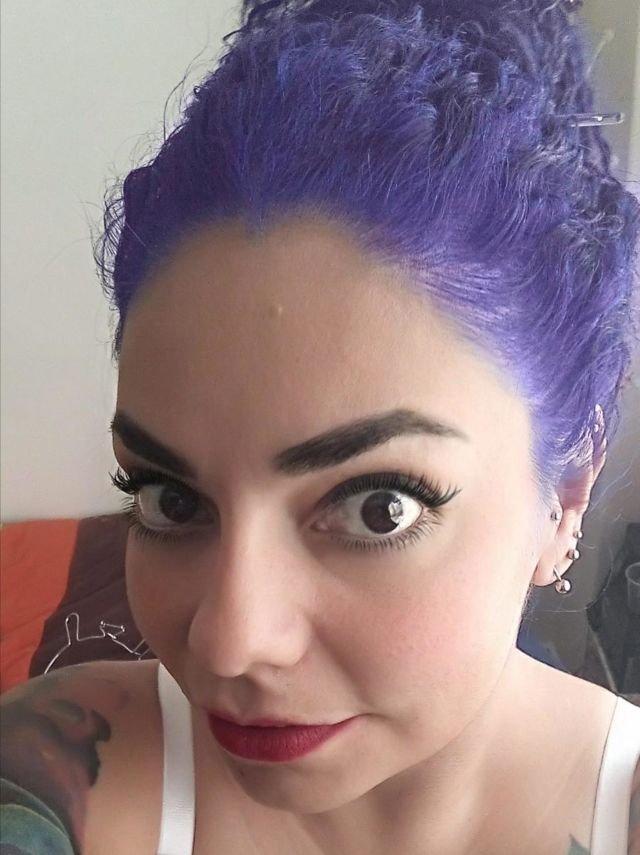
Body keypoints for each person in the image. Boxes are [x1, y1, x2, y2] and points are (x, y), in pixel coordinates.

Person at [1, 1, 639, 853]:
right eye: (169, 500)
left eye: (379, 507)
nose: (229, 644)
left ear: (565, 495)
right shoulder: (61, 773)